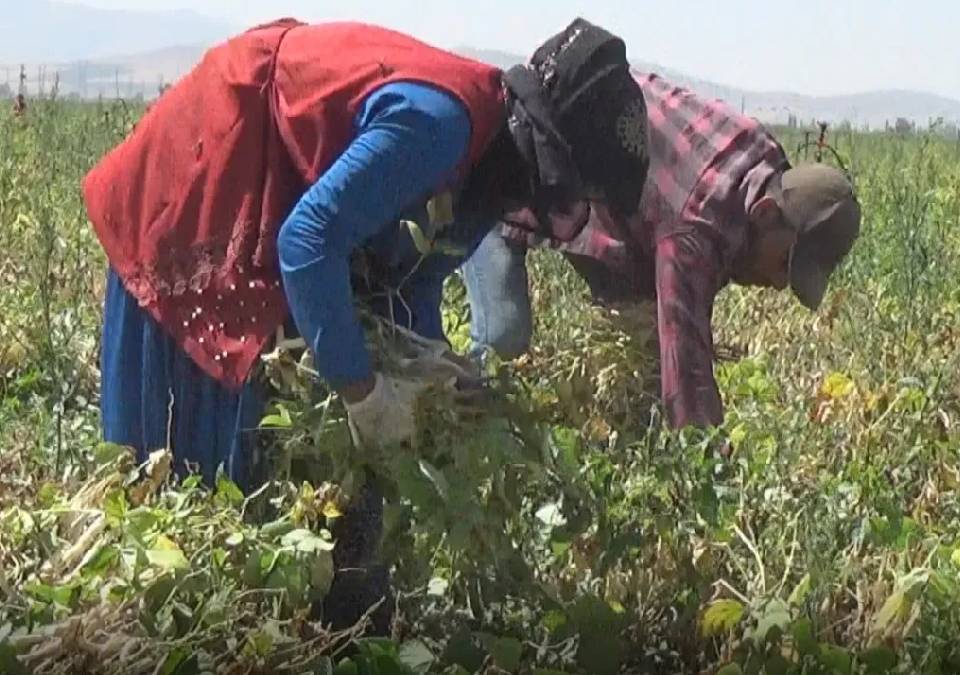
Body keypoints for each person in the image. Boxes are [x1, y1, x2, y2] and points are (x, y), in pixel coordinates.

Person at [82, 16, 648, 634]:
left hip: (276, 193)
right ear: (540, 146)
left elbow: (415, 279)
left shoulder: (486, 172)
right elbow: (307, 242)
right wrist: (364, 393)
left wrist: (430, 364)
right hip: (211, 171)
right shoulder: (439, 127)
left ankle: (316, 621)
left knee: (305, 467)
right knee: (195, 463)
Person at [461, 70, 860, 432]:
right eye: (784, 264)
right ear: (766, 212)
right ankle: (462, 431)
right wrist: (707, 457)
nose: (777, 284)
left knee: (643, 352)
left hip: (597, 197)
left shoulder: (763, 166)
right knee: (504, 339)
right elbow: (686, 362)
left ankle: (618, 438)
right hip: (507, 172)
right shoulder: (698, 222)